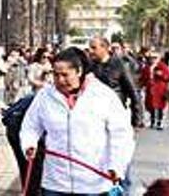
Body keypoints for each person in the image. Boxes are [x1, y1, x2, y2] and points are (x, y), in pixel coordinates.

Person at [20, 48, 135, 196]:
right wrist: (29, 143)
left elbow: (121, 134)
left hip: (93, 184)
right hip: (56, 182)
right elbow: (31, 126)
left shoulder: (102, 95)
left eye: (65, 75)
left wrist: (116, 165)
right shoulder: (45, 96)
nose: (60, 80)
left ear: (79, 71)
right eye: (55, 75)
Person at [89, 36, 145, 128]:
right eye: (90, 48)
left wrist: (136, 120)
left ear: (105, 48)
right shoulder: (90, 66)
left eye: (94, 48)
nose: (91, 51)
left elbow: (134, 92)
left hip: (115, 114)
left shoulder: (121, 64)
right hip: (95, 117)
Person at [140, 51, 169, 130]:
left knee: (160, 106)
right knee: (150, 106)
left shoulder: (163, 66)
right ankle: (152, 121)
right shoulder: (147, 67)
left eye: (155, 58)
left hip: (160, 89)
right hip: (150, 89)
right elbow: (143, 77)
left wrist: (161, 74)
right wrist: (142, 85)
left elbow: (168, 77)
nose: (153, 59)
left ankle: (159, 122)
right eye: (152, 58)